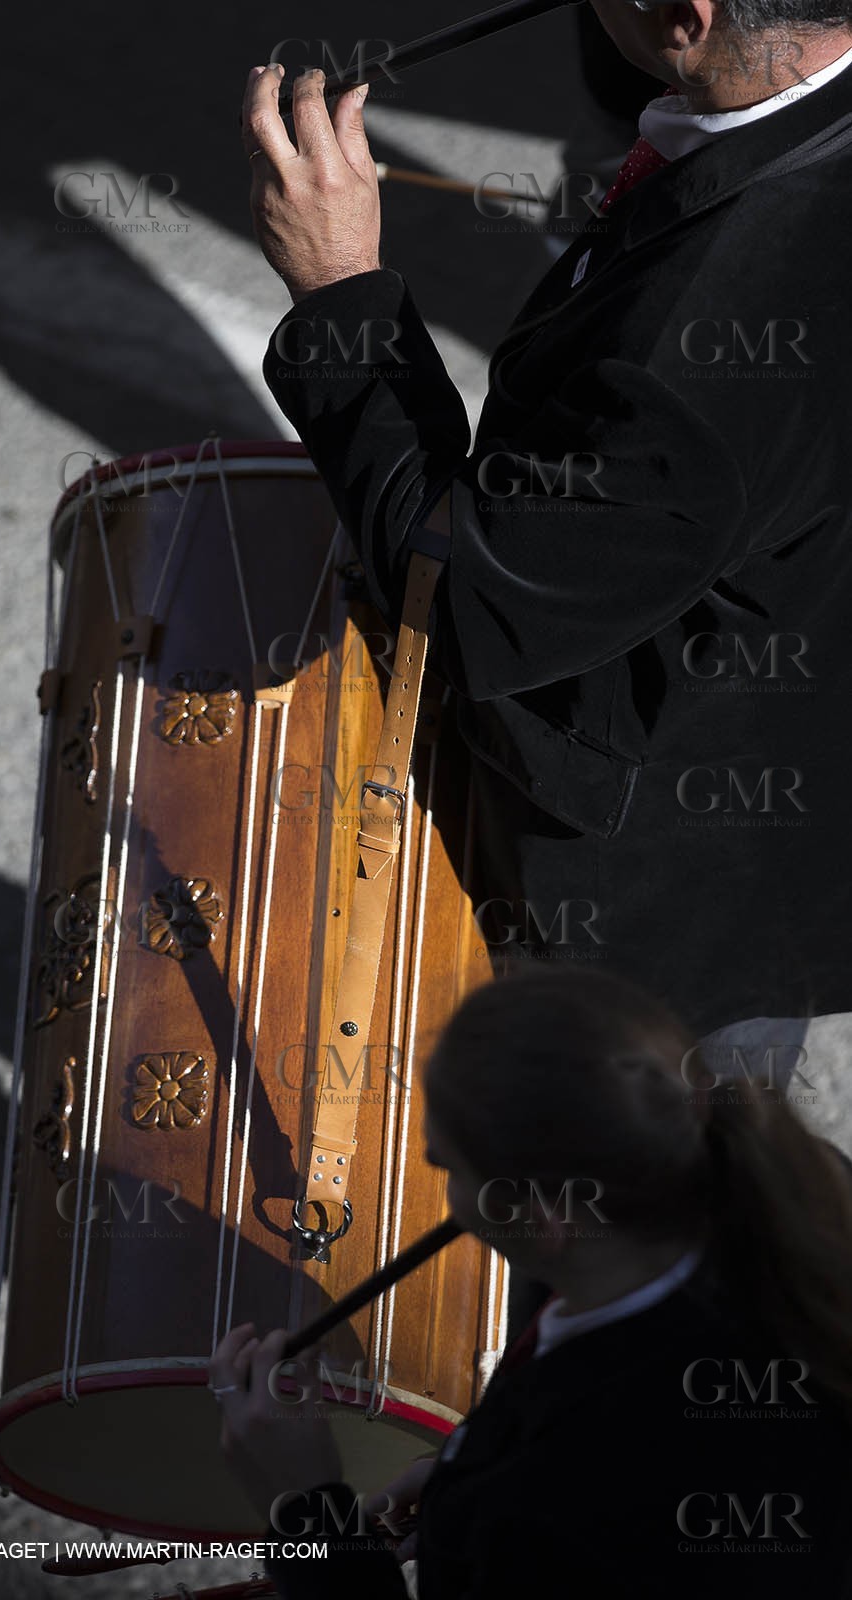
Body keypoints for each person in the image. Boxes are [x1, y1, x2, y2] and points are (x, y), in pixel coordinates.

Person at [239, 1, 852, 1080]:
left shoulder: (708, 335)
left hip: (681, 906)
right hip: (785, 762)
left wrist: (338, 292)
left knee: (650, 1203)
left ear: (684, 13)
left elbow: (477, 603)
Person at [210, 965, 852, 1596]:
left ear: (544, 1219)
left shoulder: (543, 1506)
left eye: (447, 1168)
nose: (450, 1200)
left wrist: (306, 1511)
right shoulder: (755, 1231)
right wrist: (461, 1472)